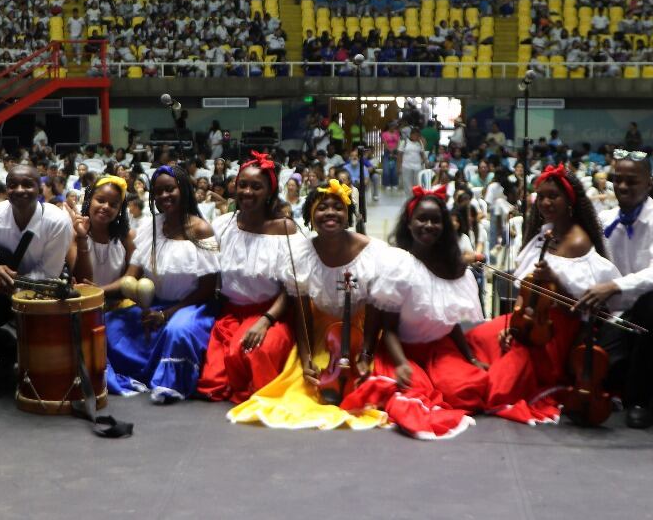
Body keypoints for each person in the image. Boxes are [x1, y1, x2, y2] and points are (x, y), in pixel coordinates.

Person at [228, 179, 403, 431]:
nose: (330, 212)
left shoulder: (374, 252)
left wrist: (366, 351)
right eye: (322, 208)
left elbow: (376, 306)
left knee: (371, 382)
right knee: (310, 383)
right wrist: (306, 355)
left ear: (348, 214)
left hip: (364, 331)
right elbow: (302, 312)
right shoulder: (301, 253)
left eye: (338, 207)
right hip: (322, 331)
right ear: (311, 216)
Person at [465, 165, 621, 426]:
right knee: (477, 337)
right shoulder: (544, 234)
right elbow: (526, 291)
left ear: (570, 200)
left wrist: (555, 278)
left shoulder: (579, 241)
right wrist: (513, 326)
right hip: (528, 324)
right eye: (542, 196)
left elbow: (581, 305)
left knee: (499, 389)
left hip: (553, 333)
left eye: (553, 196)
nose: (546, 202)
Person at [344, 184, 487, 440]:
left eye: (435, 220)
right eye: (422, 219)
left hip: (438, 348)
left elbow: (449, 319)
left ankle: (438, 378)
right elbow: (387, 328)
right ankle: (423, 379)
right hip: (401, 350)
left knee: (469, 389)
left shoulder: (454, 267)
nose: (429, 225)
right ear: (409, 224)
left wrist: (470, 357)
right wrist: (400, 363)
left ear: (445, 226)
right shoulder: (398, 264)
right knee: (412, 393)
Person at [575, 151, 653, 428]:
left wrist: (614, 286)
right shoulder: (605, 219)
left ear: (648, 184)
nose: (622, 187)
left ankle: (639, 401)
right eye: (618, 180)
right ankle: (635, 374)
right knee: (601, 373)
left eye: (631, 181)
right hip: (619, 318)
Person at [103, 165, 219, 403]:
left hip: (191, 308)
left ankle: (169, 381)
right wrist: (97, 291)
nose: (164, 196)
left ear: (183, 189)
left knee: (178, 332)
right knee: (109, 323)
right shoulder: (150, 227)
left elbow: (207, 289)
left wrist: (167, 315)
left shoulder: (202, 229)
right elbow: (130, 277)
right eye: (158, 192)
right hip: (155, 306)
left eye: (169, 189)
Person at [198, 153, 302, 403]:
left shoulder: (285, 229)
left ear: (270, 192)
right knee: (212, 384)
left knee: (253, 356)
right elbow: (206, 268)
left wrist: (265, 321)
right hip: (231, 313)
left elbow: (292, 288)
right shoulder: (223, 224)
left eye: (256, 186)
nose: (247, 191)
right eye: (242, 184)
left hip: (272, 314)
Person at [0, 163, 72, 381]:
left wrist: (14, 285)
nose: (19, 190)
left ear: (40, 188)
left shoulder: (57, 222)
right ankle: (9, 352)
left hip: (41, 291)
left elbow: (49, 273)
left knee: (45, 369)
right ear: (6, 189)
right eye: (13, 185)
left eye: (28, 184)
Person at [70, 175, 135, 296]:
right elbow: (81, 279)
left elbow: (131, 277)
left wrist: (101, 291)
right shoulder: (74, 233)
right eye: (100, 200)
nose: (106, 207)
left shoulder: (126, 237)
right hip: (84, 304)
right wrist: (82, 238)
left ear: (119, 210)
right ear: (89, 200)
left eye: (113, 204)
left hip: (116, 305)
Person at [398, 129, 427, 193]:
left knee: (417, 183)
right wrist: (399, 167)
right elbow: (399, 155)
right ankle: (409, 198)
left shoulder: (420, 143)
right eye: (415, 135)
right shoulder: (404, 142)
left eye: (418, 135)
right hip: (406, 166)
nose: (416, 137)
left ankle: (415, 196)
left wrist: (426, 161)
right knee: (407, 183)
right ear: (411, 135)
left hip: (417, 166)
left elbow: (422, 153)